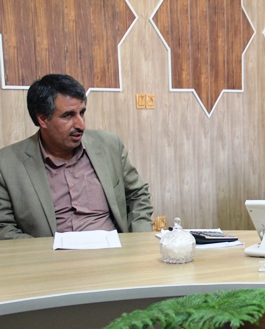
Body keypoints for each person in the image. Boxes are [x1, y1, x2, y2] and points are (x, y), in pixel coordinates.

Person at [0, 74, 153, 239]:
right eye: (68, 115)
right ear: (43, 119)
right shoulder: (7, 164)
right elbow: (4, 227)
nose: (81, 125)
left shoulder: (109, 146)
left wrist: (139, 240)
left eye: (82, 113)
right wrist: (45, 252)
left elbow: (138, 195)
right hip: (51, 253)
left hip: (113, 251)